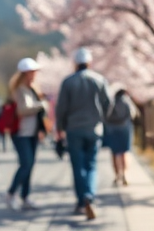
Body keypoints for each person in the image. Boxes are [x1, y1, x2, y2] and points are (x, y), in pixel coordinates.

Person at [54, 47, 110, 221]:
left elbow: (61, 108)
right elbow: (107, 103)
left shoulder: (68, 82)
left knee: (77, 165)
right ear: (90, 62)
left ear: (75, 63)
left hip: (73, 129)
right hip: (94, 128)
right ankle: (90, 195)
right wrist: (102, 120)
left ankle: (81, 201)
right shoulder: (99, 79)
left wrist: (60, 128)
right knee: (92, 164)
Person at [5, 57, 48, 211]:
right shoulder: (19, 90)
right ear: (26, 73)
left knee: (30, 165)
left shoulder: (32, 89)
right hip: (21, 133)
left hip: (32, 133)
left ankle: (25, 196)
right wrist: (41, 105)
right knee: (26, 164)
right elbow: (22, 110)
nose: (35, 74)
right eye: (32, 72)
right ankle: (11, 193)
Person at [103, 85, 139, 186]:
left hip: (112, 130)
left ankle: (116, 175)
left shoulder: (112, 102)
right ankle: (125, 174)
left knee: (115, 153)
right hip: (125, 129)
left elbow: (105, 116)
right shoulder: (127, 101)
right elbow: (133, 114)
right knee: (124, 152)